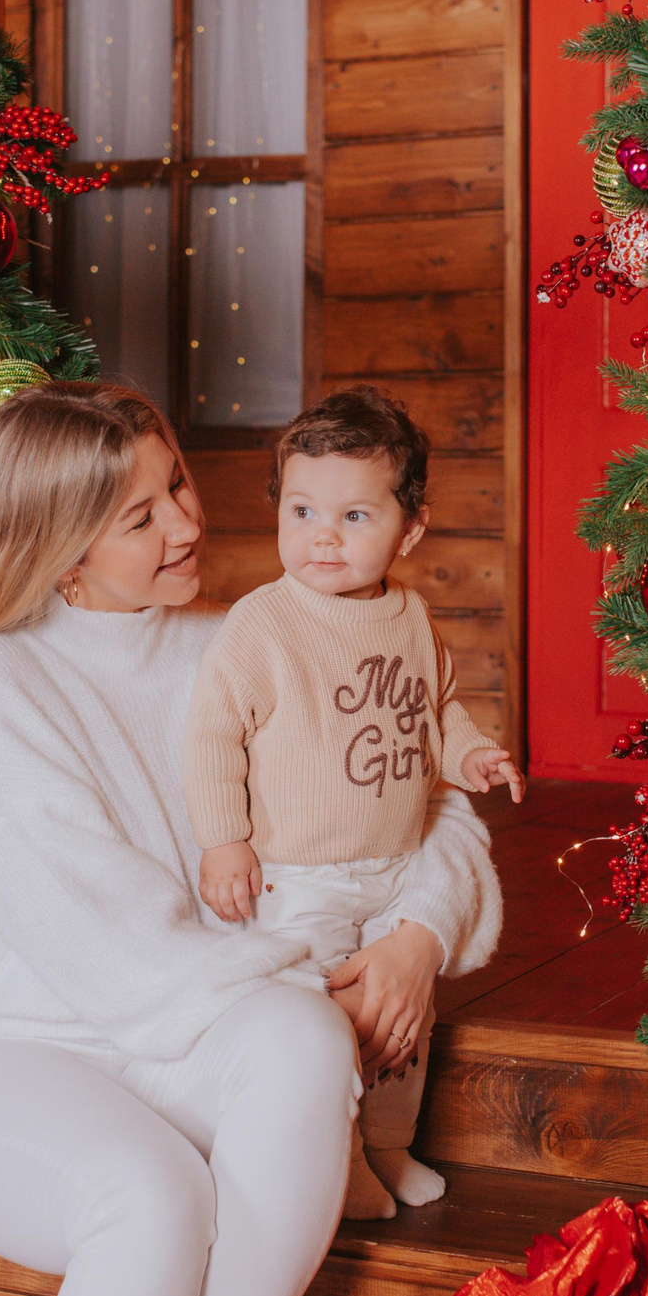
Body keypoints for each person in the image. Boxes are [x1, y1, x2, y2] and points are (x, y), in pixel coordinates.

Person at [0, 384, 500, 1296]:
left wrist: (419, 934)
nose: (185, 523)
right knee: (154, 1195)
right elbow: (111, 940)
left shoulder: (246, 636)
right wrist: (301, 976)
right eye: (138, 517)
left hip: (194, 1031)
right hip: (15, 1056)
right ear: (58, 548)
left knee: (299, 1047)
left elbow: (412, 785)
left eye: (175, 483)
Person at [184, 389, 523, 1221]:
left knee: (404, 1026)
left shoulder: (410, 614)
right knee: (330, 1024)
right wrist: (226, 840)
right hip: (302, 877)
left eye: (354, 514)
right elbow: (211, 737)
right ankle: (334, 1160)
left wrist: (470, 750)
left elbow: (435, 708)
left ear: (409, 530)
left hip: (398, 865)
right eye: (301, 510)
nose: (322, 535)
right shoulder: (261, 625)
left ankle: (388, 1144)